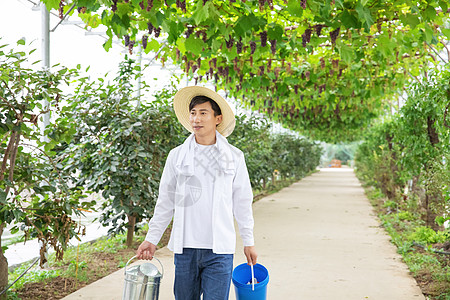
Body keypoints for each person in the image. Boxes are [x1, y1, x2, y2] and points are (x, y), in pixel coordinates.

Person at [136, 86, 257, 300]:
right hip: (186, 249)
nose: (196, 119)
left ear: (217, 118)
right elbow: (166, 200)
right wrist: (152, 238)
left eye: (203, 113)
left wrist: (249, 241)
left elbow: (242, 202)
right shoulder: (177, 156)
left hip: (219, 251)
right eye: (193, 113)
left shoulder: (234, 157)